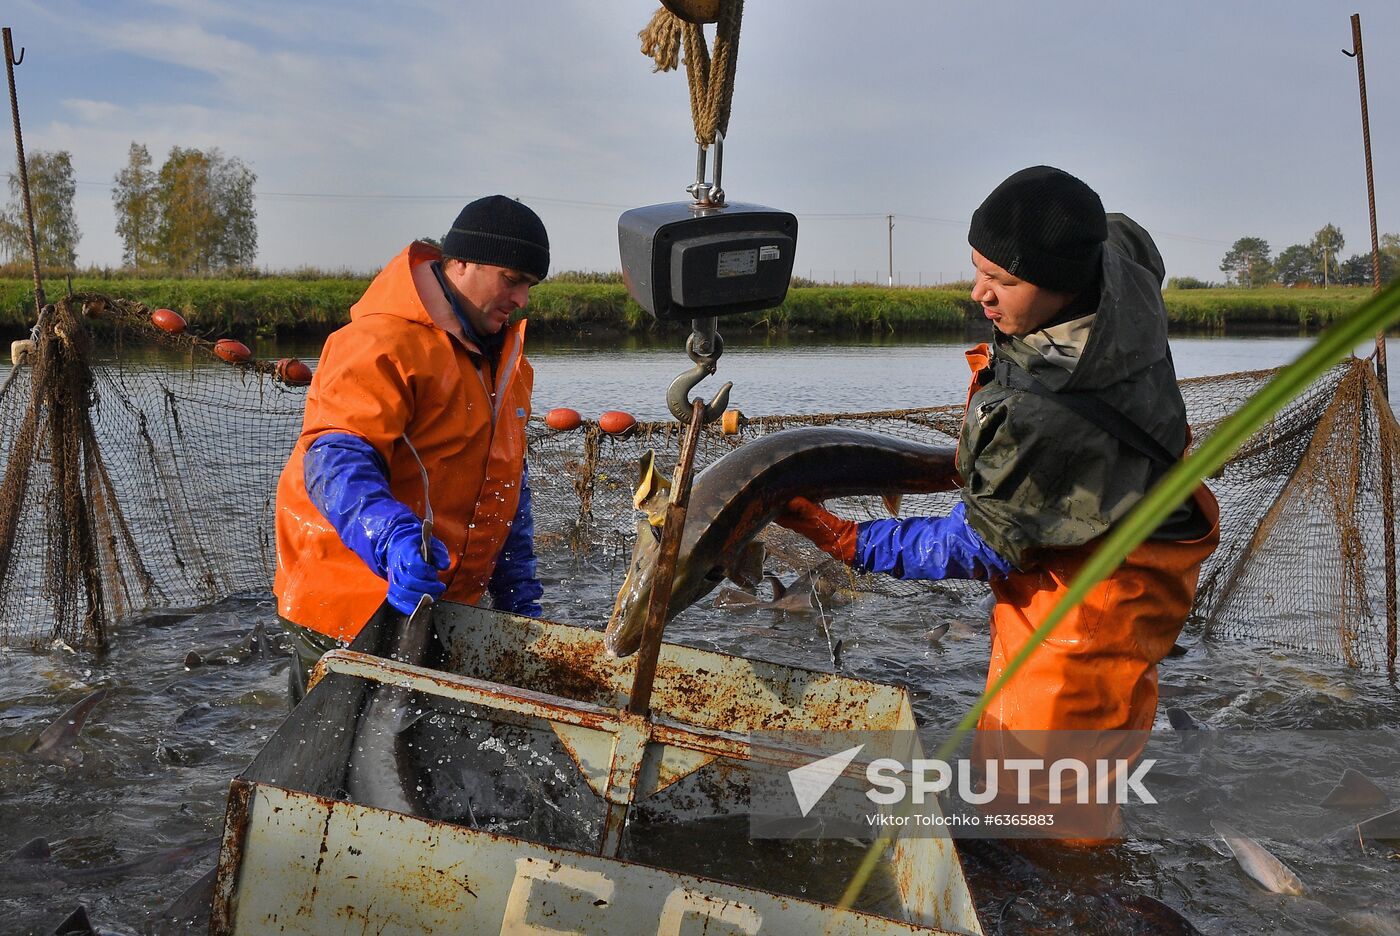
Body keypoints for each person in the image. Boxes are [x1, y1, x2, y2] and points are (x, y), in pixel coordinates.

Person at [777, 166, 1219, 835]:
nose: (980, 293)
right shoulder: (1122, 261)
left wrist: (848, 540)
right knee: (1095, 750)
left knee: (1041, 805)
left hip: (1087, 605)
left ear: (1065, 281)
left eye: (1005, 282)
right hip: (1139, 532)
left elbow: (978, 544)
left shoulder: (1043, 417)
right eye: (977, 269)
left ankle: (1074, 892)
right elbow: (1122, 233)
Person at [274, 195, 550, 703]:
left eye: (529, 285)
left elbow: (507, 477)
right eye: (511, 278)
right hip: (349, 602)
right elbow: (335, 458)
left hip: (440, 605)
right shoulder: (379, 341)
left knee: (417, 767)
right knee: (326, 772)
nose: (522, 299)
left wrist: (519, 594)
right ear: (461, 261)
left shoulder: (507, 359)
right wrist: (392, 540)